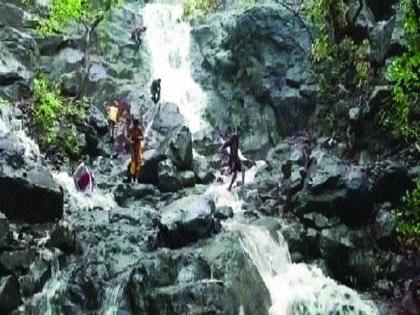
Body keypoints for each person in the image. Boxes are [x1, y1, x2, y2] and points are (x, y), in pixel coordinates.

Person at [128, 118, 145, 182]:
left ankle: (136, 178)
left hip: (138, 146)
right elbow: (128, 137)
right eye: (134, 125)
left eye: (136, 125)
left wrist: (139, 138)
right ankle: (132, 177)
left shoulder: (139, 129)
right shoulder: (130, 128)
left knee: (138, 162)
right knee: (133, 161)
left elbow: (143, 137)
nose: (135, 126)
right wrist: (130, 141)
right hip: (132, 147)